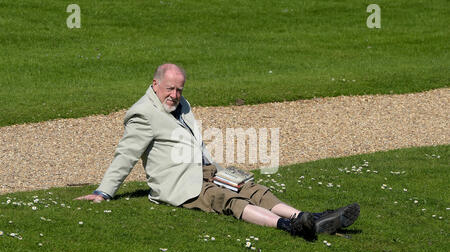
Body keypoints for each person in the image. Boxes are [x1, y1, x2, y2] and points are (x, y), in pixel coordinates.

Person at [75, 63, 360, 240]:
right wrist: (104, 192)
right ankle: (288, 226)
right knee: (228, 199)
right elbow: (125, 155)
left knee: (253, 188)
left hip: (206, 170)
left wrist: (217, 170)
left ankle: (308, 217)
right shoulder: (142, 114)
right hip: (180, 184)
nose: (175, 95)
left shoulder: (180, 104)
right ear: (155, 84)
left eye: (180, 89)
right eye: (170, 89)